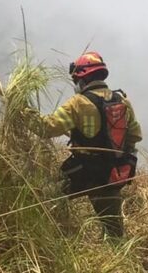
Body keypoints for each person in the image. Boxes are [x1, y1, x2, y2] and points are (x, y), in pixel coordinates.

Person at [25, 52, 141, 239]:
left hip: (83, 172)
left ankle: (56, 239)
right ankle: (121, 262)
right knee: (114, 231)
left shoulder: (78, 103)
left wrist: (24, 112)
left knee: (45, 199)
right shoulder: (123, 101)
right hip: (113, 174)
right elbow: (134, 136)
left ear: (82, 78)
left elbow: (47, 128)